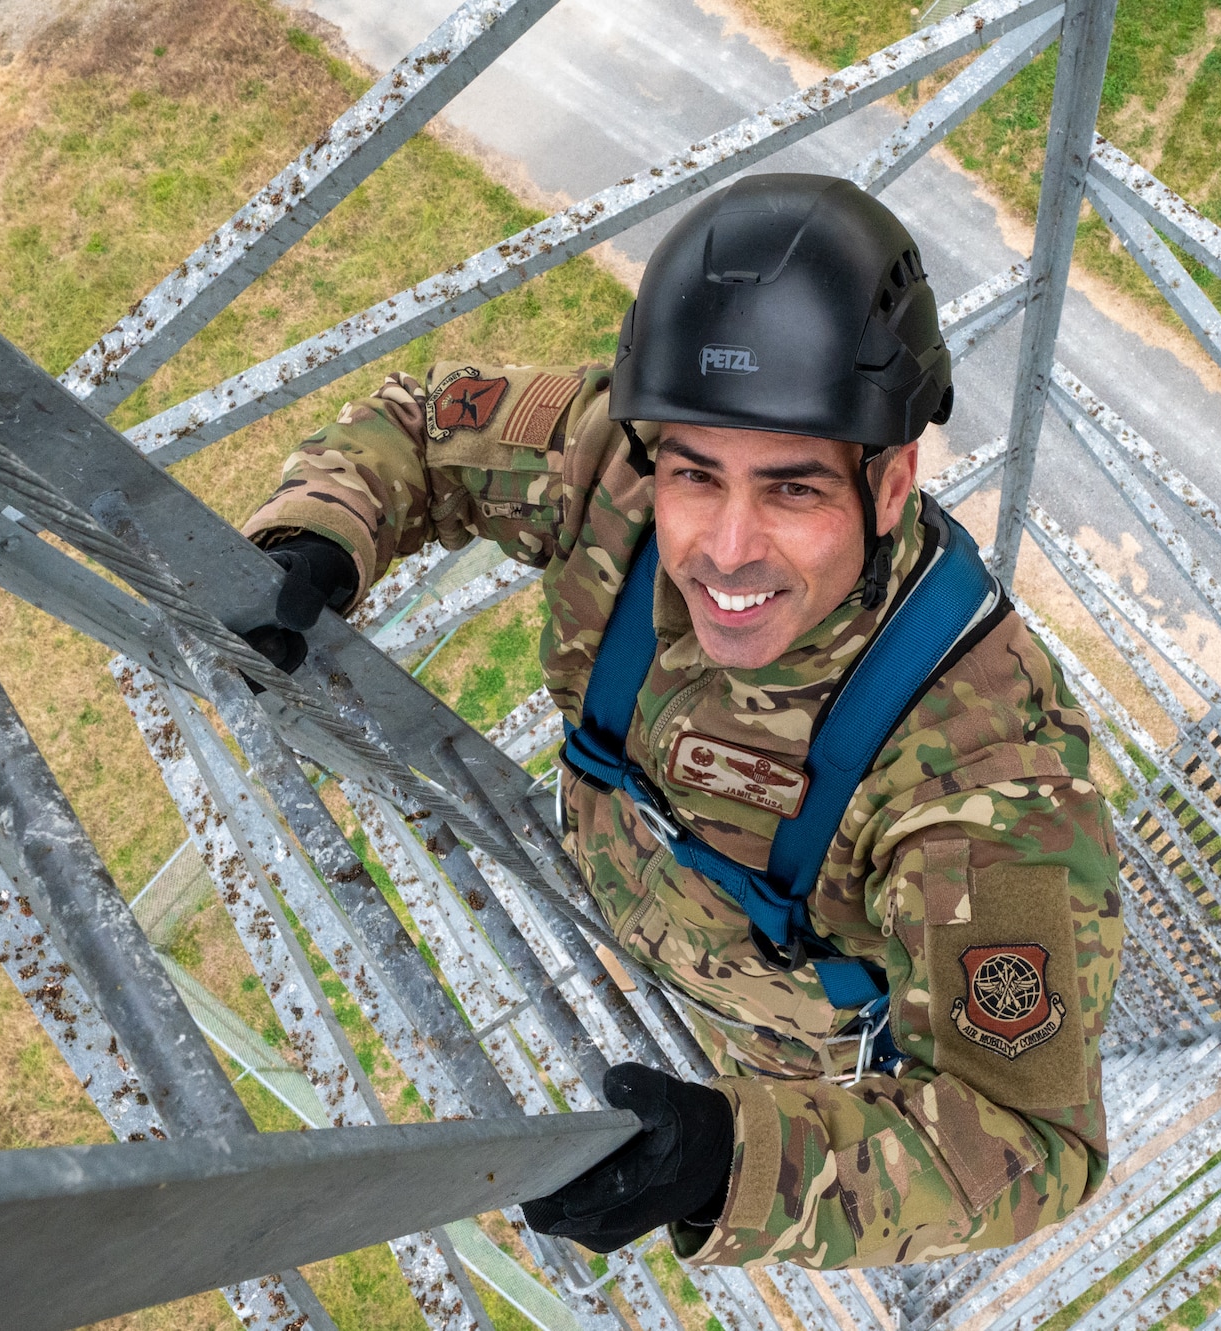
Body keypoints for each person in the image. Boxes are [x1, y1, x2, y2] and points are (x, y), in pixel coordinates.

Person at [240, 174, 1123, 1269]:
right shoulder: (612, 463)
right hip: (623, 887)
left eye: (793, 490)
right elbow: (423, 427)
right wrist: (321, 532)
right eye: (694, 474)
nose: (724, 547)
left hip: (783, 1048)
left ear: (891, 485)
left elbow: (1029, 1138)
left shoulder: (985, 781)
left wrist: (734, 1157)